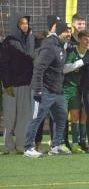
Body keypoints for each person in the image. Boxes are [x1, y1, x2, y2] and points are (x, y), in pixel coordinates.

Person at [23, 21, 72, 158]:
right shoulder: (50, 47)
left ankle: (55, 146)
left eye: (69, 31)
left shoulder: (61, 45)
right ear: (59, 32)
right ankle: (28, 148)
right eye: (66, 31)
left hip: (57, 91)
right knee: (36, 119)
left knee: (61, 117)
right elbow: (39, 68)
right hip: (44, 90)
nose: (69, 34)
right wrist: (38, 89)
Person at [1, 13, 35, 154]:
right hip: (12, 86)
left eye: (26, 23)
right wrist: (7, 84)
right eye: (21, 23)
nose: (25, 25)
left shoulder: (31, 39)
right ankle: (9, 146)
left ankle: (21, 145)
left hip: (26, 84)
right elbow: (3, 65)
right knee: (10, 117)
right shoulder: (8, 42)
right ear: (16, 25)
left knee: (25, 116)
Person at [62, 30, 89, 154]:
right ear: (79, 40)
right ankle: (60, 142)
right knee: (62, 116)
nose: (88, 42)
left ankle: (76, 144)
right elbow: (64, 69)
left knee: (76, 116)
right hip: (65, 89)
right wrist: (81, 62)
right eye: (85, 39)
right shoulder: (72, 52)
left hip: (78, 90)